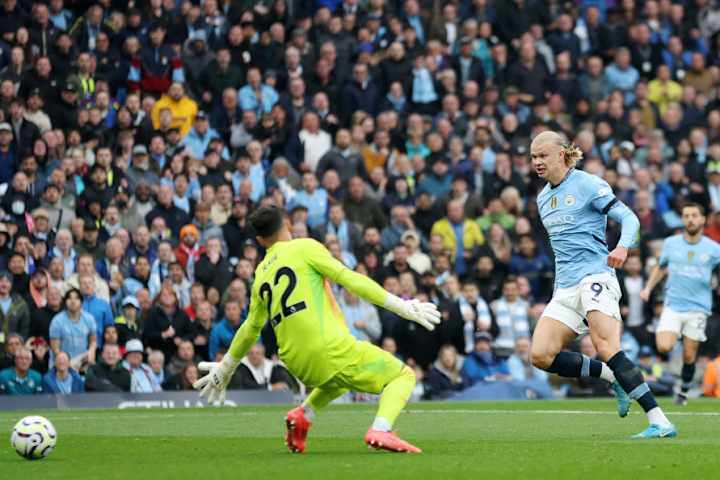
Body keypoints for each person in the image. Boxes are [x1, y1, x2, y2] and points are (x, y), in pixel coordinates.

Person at [193, 205, 441, 454]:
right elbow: (349, 279)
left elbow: (250, 327)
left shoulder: (260, 274)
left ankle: (303, 415)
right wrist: (403, 306)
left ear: (260, 240)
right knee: (403, 376)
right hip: (327, 348)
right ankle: (381, 429)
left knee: (339, 379)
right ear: (287, 223)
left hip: (295, 361)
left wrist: (227, 366)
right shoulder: (304, 247)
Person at [529, 130, 675, 439]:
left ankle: (659, 420)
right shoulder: (543, 198)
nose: (537, 161)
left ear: (562, 154)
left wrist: (622, 247)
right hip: (566, 287)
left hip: (596, 276)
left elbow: (630, 219)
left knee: (606, 346)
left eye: (542, 155)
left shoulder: (589, 184)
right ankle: (612, 377)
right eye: (533, 157)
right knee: (540, 355)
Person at [640, 203, 720, 406]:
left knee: (689, 354)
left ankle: (683, 390)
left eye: (694, 215)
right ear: (682, 220)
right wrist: (648, 288)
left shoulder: (713, 249)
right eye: (686, 216)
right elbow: (661, 267)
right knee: (664, 346)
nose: (690, 219)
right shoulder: (671, 243)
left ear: (702, 220)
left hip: (698, 309)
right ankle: (679, 378)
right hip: (673, 305)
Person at [49, 288, 97, 370]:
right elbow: (55, 349)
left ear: (81, 302)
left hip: (82, 362)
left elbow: (93, 341)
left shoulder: (89, 319)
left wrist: (91, 352)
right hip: (62, 363)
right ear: (65, 302)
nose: (73, 301)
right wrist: (67, 363)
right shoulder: (57, 321)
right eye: (69, 298)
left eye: (76, 298)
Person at [229, 343, 297, 392]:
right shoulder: (241, 367)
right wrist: (271, 387)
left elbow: (287, 384)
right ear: (247, 355)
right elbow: (246, 385)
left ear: (263, 355)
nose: (254, 356)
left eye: (258, 353)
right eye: (251, 353)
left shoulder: (273, 367)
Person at [0, 270, 30, 352]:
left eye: (7, 281)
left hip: (14, 349)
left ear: (11, 285)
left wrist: (19, 344)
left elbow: (24, 328)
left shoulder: (20, 304)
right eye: (1, 281)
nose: (4, 284)